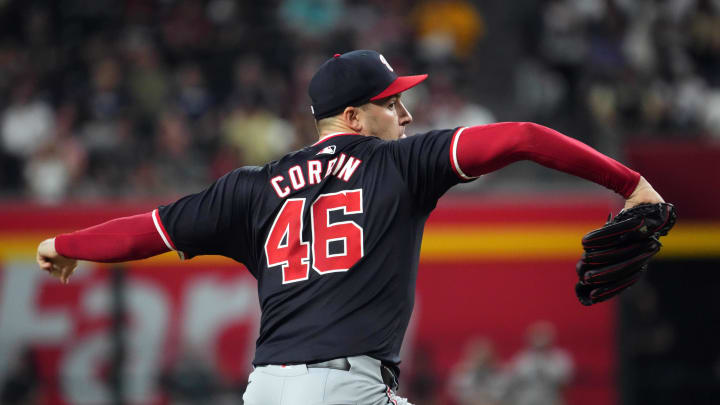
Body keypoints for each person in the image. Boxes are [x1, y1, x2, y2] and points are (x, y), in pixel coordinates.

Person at [36, 50, 665, 405]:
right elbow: (525, 137)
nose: (407, 111)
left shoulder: (249, 188)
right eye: (392, 102)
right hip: (346, 388)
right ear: (353, 117)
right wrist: (628, 184)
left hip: (265, 391)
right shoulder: (401, 163)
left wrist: (64, 245)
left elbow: (149, 229)